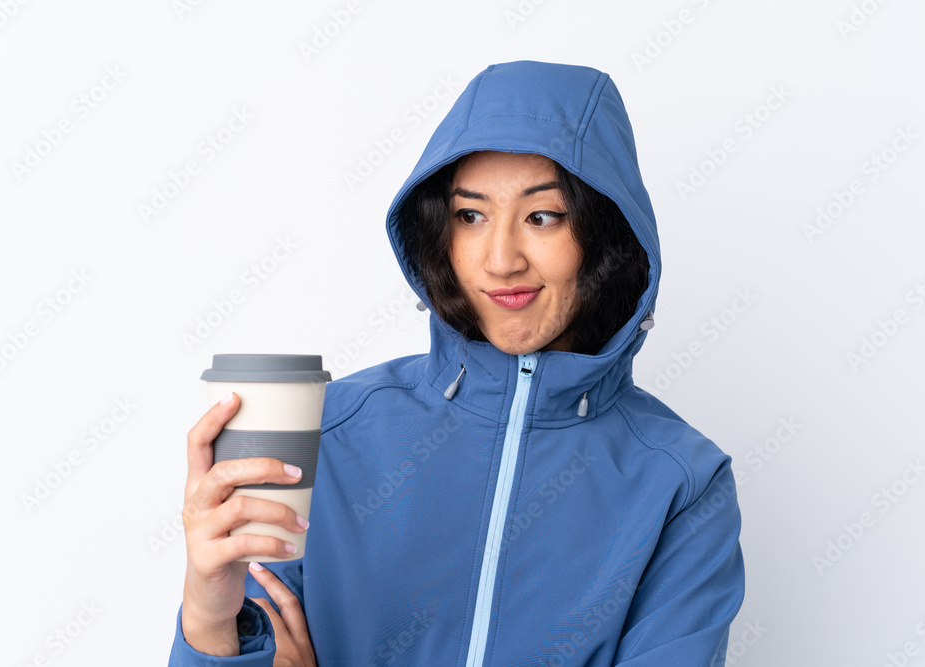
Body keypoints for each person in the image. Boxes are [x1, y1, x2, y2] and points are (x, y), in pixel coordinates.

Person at [169, 60, 744, 666]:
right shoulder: (325, 430)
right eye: (470, 215)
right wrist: (208, 612)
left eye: (542, 216)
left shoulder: (683, 483)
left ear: (605, 234)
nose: (500, 261)